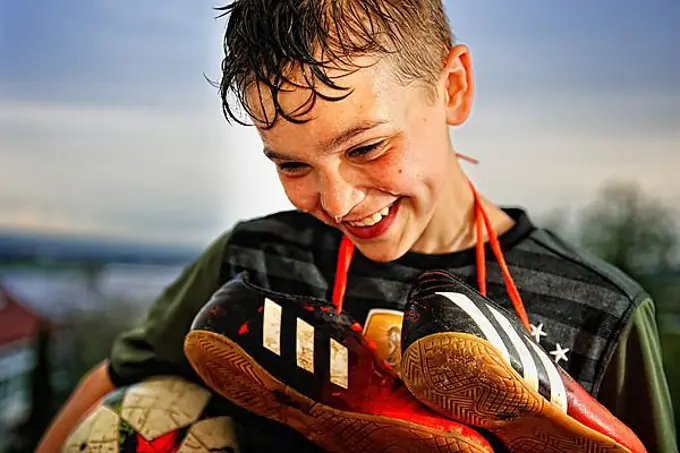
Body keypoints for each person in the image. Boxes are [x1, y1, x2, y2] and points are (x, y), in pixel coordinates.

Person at [37, 0, 676, 452]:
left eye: (367, 147)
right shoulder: (251, 261)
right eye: (291, 163)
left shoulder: (601, 311)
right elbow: (115, 382)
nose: (337, 201)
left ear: (452, 88)